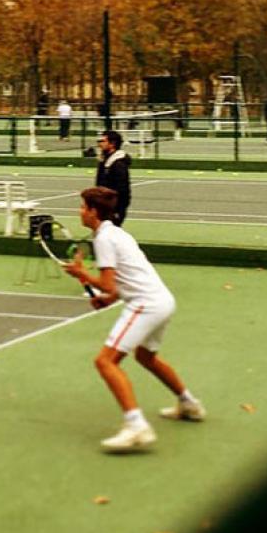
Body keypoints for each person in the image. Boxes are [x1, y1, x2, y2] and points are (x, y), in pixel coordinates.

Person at [64, 187, 206, 453]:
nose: (79, 211)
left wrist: (81, 274)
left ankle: (136, 426)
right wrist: (106, 299)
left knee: (105, 361)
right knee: (146, 357)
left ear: (93, 211)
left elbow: (107, 284)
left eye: (83, 207)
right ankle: (189, 404)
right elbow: (116, 289)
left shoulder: (105, 239)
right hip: (163, 301)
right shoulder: (117, 233)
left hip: (147, 305)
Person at [95, 130, 131, 226]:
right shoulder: (104, 159)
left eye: (103, 141)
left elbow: (123, 189)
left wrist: (117, 209)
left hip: (113, 207)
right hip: (104, 205)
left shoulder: (119, 164)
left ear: (112, 144)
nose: (99, 144)